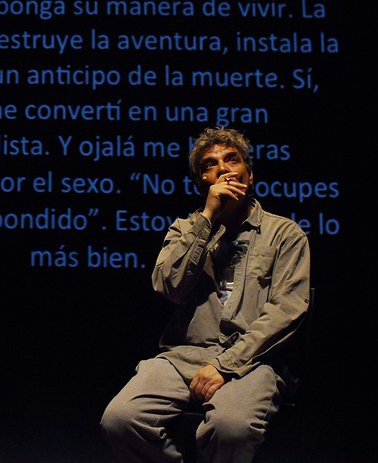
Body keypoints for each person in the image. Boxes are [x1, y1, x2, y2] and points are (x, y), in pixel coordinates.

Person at [100, 127, 310, 463]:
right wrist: (208, 218)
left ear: (250, 175)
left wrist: (225, 364)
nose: (223, 168)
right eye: (211, 164)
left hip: (251, 360)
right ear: (202, 182)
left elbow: (286, 311)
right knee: (120, 419)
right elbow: (168, 286)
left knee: (231, 427)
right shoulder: (185, 229)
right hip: (185, 355)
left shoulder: (284, 233)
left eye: (232, 159)